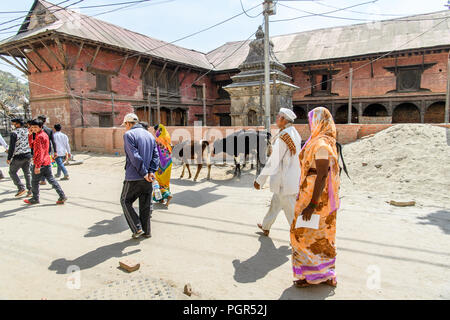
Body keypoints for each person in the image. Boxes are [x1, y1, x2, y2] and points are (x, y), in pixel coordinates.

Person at [291, 107, 340, 288]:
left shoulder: (321, 144)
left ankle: (313, 275)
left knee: (305, 236)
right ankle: (323, 274)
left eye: (312, 121)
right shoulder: (322, 141)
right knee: (318, 237)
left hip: (316, 199)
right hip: (311, 196)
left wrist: (312, 204)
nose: (310, 125)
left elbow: (322, 175)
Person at [254, 108, 302, 236]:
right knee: (275, 204)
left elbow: (273, 161)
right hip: (289, 179)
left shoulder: (284, 136)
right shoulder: (293, 132)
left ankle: (298, 238)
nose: (276, 119)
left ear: (283, 119)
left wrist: (260, 180)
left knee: (290, 212)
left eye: (278, 117)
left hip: (284, 182)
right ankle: (266, 226)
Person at [120, 113, 159, 239]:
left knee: (125, 201)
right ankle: (147, 232)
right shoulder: (150, 135)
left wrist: (143, 173)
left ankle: (137, 228)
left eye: (125, 125)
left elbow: (134, 156)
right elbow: (155, 156)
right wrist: (151, 172)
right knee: (145, 205)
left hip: (134, 176)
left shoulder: (128, 135)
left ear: (128, 123)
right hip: (148, 177)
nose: (125, 127)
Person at [24, 119, 67, 205]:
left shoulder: (40, 137)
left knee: (35, 182)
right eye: (32, 127)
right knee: (51, 180)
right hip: (46, 161)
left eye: (35, 127)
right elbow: (32, 145)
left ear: (40, 127)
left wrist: (37, 166)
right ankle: (62, 195)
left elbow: (40, 152)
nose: (33, 129)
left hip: (40, 162)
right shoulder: (41, 135)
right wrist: (30, 135)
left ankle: (35, 198)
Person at [7, 118, 32, 197]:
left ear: (17, 124)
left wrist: (9, 158)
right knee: (27, 173)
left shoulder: (14, 133)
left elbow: (12, 147)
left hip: (18, 156)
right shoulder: (27, 131)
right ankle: (30, 190)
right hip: (28, 154)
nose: (13, 125)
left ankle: (21, 188)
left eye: (14, 124)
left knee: (12, 172)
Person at [153, 124, 173, 207]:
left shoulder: (157, 140)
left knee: (158, 180)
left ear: (157, 131)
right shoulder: (167, 139)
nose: (154, 132)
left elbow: (155, 152)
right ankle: (161, 198)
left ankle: (167, 195)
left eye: (155, 131)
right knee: (165, 181)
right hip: (169, 162)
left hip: (161, 164)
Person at [37, 115, 57, 185]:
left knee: (41, 165)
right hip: (47, 150)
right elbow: (53, 141)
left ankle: (43, 179)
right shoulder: (49, 130)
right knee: (47, 164)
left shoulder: (37, 130)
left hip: (40, 150)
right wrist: (55, 151)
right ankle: (48, 180)